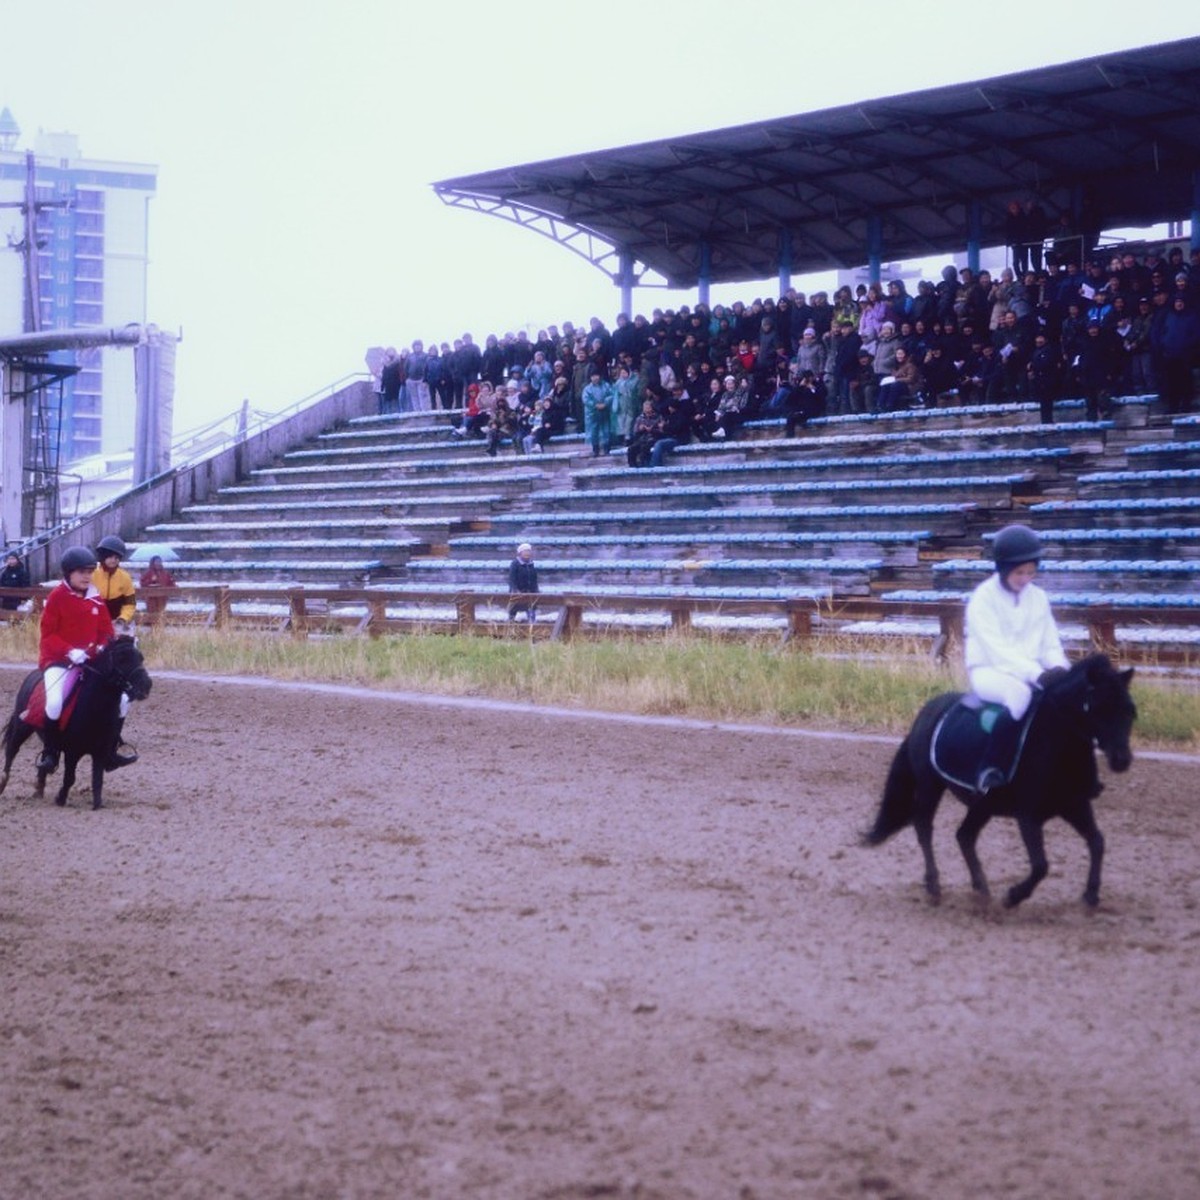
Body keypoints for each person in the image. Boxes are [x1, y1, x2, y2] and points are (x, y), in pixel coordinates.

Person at [965, 525, 1068, 794]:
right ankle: (992, 767)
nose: (1025, 578)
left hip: (1031, 671)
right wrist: (1037, 674)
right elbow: (997, 651)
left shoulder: (1039, 598)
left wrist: (1060, 670)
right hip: (989, 672)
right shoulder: (982, 600)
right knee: (1020, 695)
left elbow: (1050, 644)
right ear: (1003, 568)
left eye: (1031, 572)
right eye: (1019, 572)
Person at [36, 546, 136, 773]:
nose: (87, 576)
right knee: (54, 702)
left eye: (90, 572)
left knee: (121, 699)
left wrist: (103, 645)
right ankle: (51, 752)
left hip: (90, 661)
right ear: (68, 573)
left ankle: (109, 751)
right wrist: (70, 651)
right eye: (81, 572)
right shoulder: (56, 598)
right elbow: (48, 635)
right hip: (59, 660)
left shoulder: (95, 597)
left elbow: (105, 630)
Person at [93, 535, 137, 625]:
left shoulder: (125, 577)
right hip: (95, 621)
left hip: (117, 622)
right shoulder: (92, 576)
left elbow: (130, 603)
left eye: (116, 558)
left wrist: (123, 618)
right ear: (103, 557)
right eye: (110, 557)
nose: (113, 560)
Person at [139, 555, 178, 622]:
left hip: (162, 598)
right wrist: (151, 580)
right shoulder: (148, 573)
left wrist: (174, 586)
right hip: (151, 599)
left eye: (159, 562)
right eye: (156, 562)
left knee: (161, 614)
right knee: (152, 616)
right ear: (153, 563)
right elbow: (142, 583)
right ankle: (153, 629)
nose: (158, 563)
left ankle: (160, 629)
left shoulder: (165, 573)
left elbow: (170, 582)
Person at [507, 542, 539, 622]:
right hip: (518, 593)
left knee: (531, 610)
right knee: (513, 611)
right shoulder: (515, 564)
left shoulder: (531, 565)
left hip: (530, 593)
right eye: (525, 551)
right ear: (520, 553)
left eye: (529, 551)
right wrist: (515, 590)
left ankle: (532, 627)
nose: (527, 553)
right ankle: (509, 627)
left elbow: (534, 580)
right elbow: (512, 579)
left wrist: (536, 591)